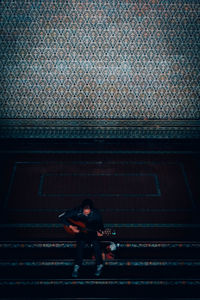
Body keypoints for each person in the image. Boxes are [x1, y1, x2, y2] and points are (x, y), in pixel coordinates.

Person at [58, 199, 104, 278]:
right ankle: (77, 266)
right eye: (84, 210)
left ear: (91, 209)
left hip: (91, 232)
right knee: (80, 244)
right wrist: (71, 226)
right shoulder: (76, 211)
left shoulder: (96, 213)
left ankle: (99, 265)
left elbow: (101, 225)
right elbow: (61, 217)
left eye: (88, 210)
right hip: (80, 232)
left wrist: (101, 231)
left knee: (96, 244)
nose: (86, 212)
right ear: (82, 208)